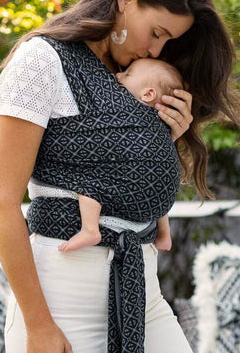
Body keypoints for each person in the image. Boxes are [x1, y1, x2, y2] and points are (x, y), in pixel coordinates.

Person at [0, 0, 240, 353]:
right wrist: (39, 325)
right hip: (61, 304)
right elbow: (1, 204)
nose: (158, 50)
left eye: (169, 41)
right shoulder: (42, 61)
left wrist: (169, 140)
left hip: (141, 295)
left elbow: (131, 185)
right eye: (157, 32)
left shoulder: (140, 80)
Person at [58, 58, 182, 253]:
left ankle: (90, 229)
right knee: (157, 186)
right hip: (165, 189)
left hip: (133, 180)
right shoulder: (162, 123)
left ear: (148, 94)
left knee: (91, 179)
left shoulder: (125, 111)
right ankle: (164, 234)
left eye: (128, 74)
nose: (118, 76)